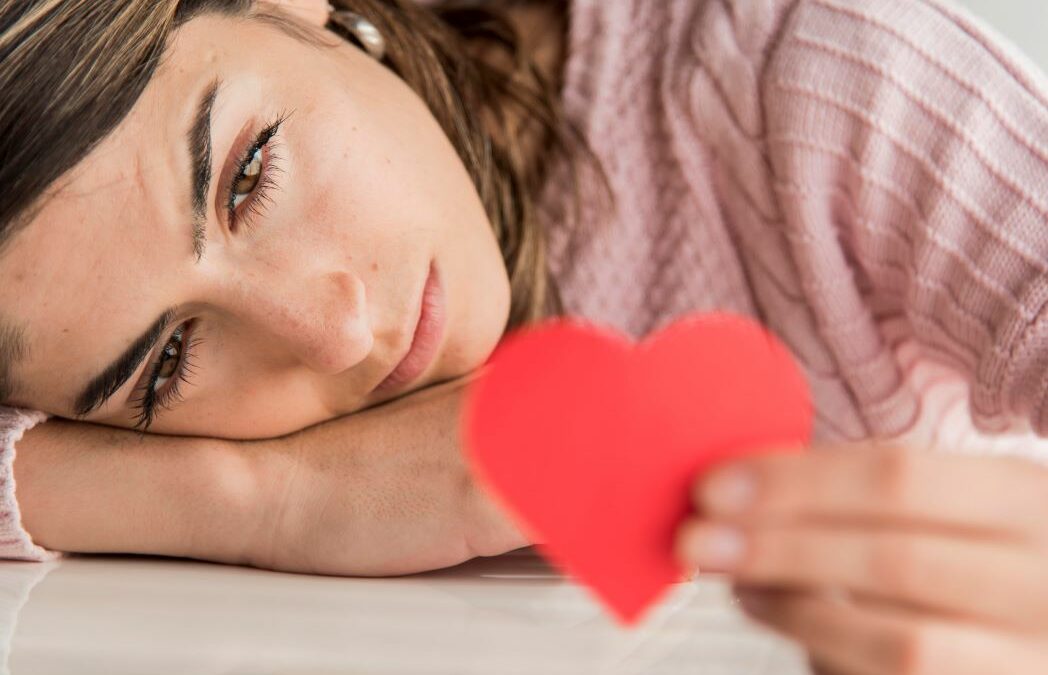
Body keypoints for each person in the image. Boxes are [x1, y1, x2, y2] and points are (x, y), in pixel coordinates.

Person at [2, 0, 1048, 670]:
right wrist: (273, 503)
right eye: (171, 359)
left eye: (249, 175)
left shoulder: (815, 81)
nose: (334, 330)